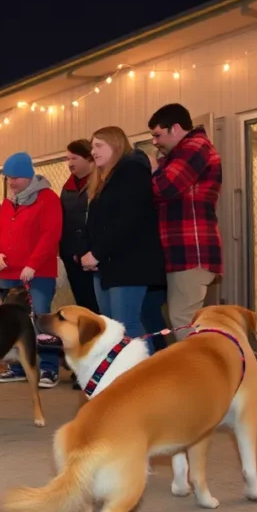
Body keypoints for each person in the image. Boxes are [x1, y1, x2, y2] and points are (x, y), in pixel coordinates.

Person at [80, 127, 166, 342]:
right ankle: (122, 371)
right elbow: (96, 223)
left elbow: (127, 220)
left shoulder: (131, 172)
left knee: (126, 324)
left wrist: (97, 253)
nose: (93, 151)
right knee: (111, 325)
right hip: (107, 263)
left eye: (99, 146)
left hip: (129, 264)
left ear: (116, 145)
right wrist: (88, 251)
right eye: (92, 147)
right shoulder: (105, 178)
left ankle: (141, 372)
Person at [147, 103, 222, 339]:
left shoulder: (195, 147)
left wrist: (152, 167)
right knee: (182, 317)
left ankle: (197, 372)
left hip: (191, 250)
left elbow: (165, 186)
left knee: (183, 320)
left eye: (158, 134)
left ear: (176, 128)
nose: (155, 142)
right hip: (182, 251)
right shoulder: (181, 153)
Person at [0, 152, 63, 387]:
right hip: (9, 274)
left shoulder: (47, 198)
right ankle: (19, 366)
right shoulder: (10, 201)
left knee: (40, 319)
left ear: (29, 175)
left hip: (37, 273)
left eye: (16, 178)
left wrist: (33, 263)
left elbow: (51, 234)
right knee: (12, 323)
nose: (11, 182)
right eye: (8, 178)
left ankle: (49, 368)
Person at [58, 140, 99, 315]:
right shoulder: (67, 189)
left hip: (94, 255)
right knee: (83, 303)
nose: (70, 163)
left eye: (74, 158)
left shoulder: (100, 183)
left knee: (99, 304)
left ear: (89, 158)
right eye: (68, 159)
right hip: (71, 255)